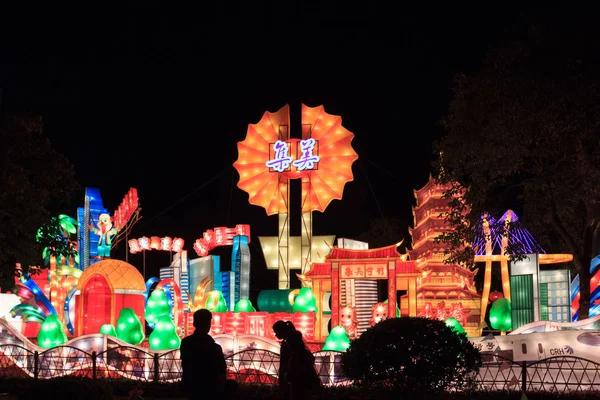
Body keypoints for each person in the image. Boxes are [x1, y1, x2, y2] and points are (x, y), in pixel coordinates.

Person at [180, 309, 227, 399]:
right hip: (210, 389)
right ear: (208, 325)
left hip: (191, 388)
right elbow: (222, 372)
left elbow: (185, 365)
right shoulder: (215, 348)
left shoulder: (186, 343)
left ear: (194, 323)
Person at [286, 332, 320, 400]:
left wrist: (288, 375)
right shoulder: (306, 353)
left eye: (288, 343)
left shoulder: (297, 355)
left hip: (299, 386)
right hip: (306, 385)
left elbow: (296, 371)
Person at [273, 321, 296, 399]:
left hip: (289, 375)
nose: (276, 335)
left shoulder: (288, 343)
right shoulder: (291, 341)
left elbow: (286, 360)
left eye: (276, 332)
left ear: (281, 331)